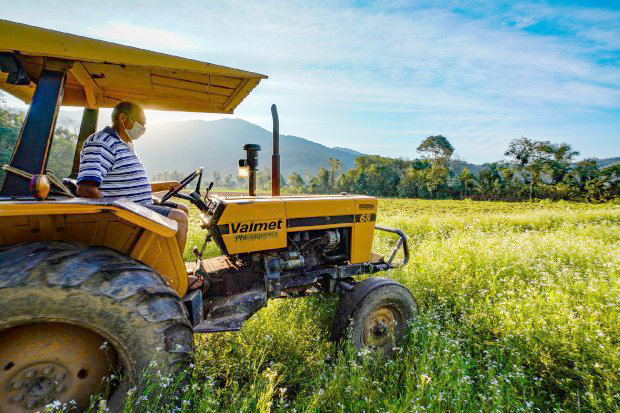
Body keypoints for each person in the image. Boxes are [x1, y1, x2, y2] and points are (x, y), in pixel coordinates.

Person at [76, 101, 189, 253]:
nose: (143, 129)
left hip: (138, 204)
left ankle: (160, 256)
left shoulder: (124, 144)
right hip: (127, 211)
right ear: (123, 119)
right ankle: (174, 273)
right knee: (179, 218)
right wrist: (114, 215)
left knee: (183, 208)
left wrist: (164, 185)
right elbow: (86, 189)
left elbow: (131, 186)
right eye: (140, 123)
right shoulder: (102, 143)